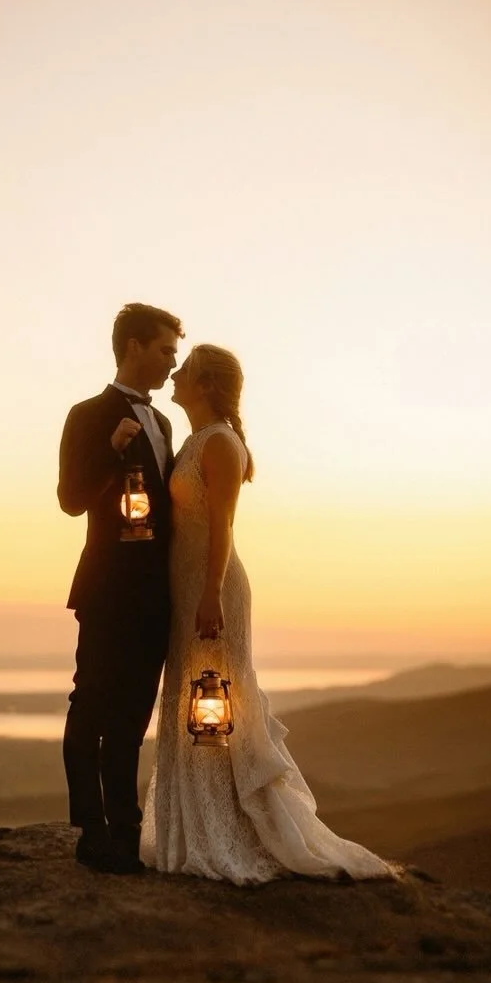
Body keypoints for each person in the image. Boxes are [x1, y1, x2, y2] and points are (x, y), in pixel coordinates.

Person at [141, 345, 393, 884]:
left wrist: (210, 592)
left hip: (214, 589)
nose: (175, 373)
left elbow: (222, 527)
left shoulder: (220, 444)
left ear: (205, 383)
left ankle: (229, 827)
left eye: (185, 369)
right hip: (187, 590)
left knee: (215, 702)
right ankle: (193, 826)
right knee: (191, 699)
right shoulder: (192, 441)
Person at [58, 302, 184, 873]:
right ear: (133, 347)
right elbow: (70, 500)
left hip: (156, 596)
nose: (171, 364)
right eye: (164, 351)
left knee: (134, 716)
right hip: (108, 590)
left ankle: (128, 831)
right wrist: (110, 449)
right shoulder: (86, 415)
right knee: (91, 707)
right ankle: (91, 830)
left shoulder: (163, 424)